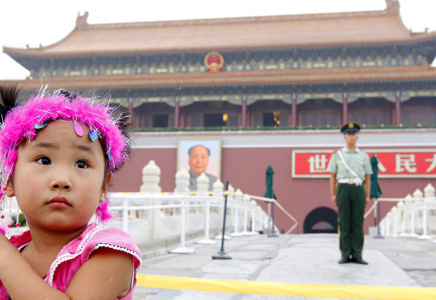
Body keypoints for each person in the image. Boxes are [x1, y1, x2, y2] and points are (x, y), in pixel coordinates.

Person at [0, 85, 142, 299]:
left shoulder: (110, 253)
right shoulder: (15, 250)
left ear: (104, 188)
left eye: (82, 164)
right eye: (43, 160)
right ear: (10, 179)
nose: (62, 181)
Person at [327, 122, 372, 265]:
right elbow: (333, 176)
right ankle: (345, 253)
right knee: (344, 222)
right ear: (344, 137)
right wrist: (333, 194)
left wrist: (367, 195)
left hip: (358, 188)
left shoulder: (363, 156)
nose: (351, 137)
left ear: (357, 137)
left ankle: (357, 254)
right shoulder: (337, 155)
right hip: (343, 188)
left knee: (358, 223)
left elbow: (367, 177)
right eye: (348, 134)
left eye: (354, 134)